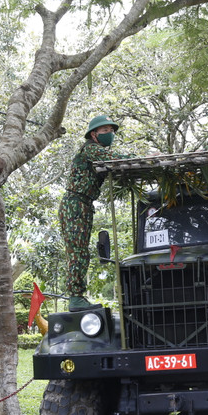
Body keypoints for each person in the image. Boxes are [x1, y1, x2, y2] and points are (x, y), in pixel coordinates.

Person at [59, 115, 126, 311]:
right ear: (94, 134)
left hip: (84, 204)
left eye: (111, 131)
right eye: (105, 131)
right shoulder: (91, 149)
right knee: (77, 252)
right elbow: (113, 158)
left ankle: (78, 296)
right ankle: (75, 297)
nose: (109, 134)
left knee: (81, 252)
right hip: (75, 204)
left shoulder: (96, 151)